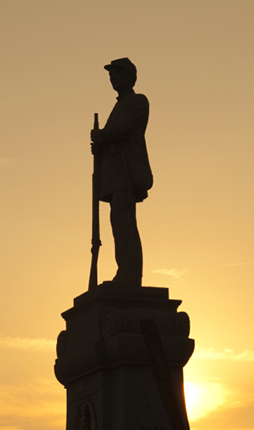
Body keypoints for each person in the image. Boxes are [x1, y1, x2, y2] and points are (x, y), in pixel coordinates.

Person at [91, 57, 152, 287]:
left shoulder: (138, 101)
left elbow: (123, 129)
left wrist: (102, 136)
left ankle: (130, 275)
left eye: (117, 74)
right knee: (118, 221)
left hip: (126, 173)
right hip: (114, 175)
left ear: (130, 77)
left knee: (124, 221)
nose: (113, 79)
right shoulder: (118, 105)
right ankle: (125, 272)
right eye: (111, 75)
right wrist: (100, 144)